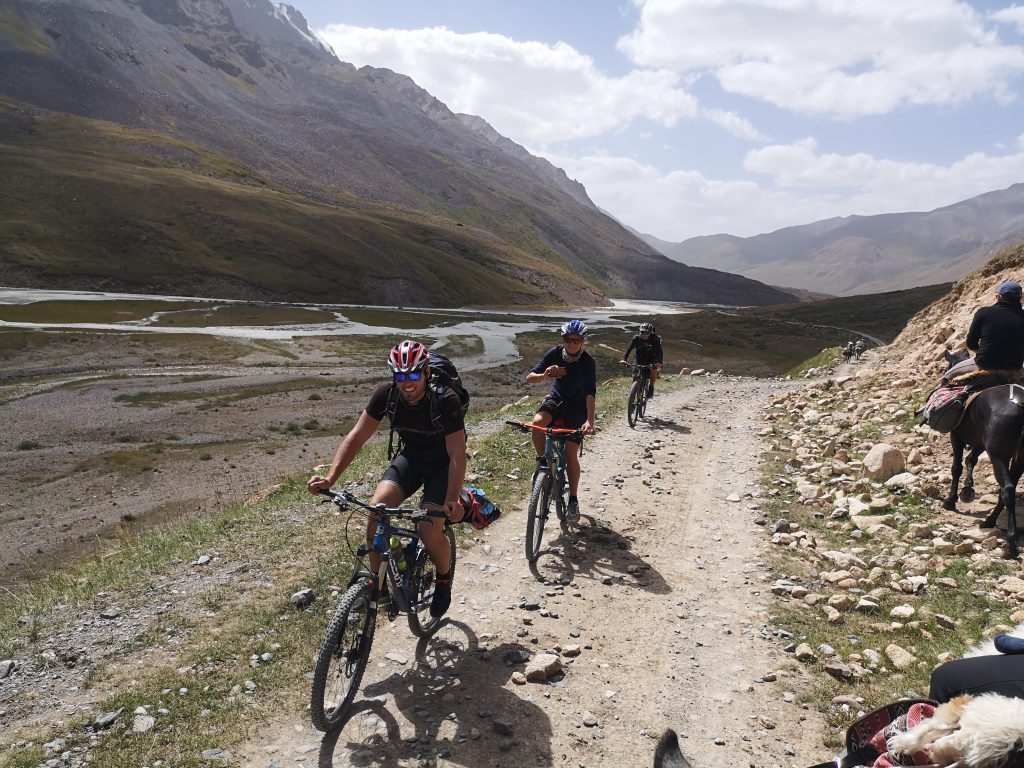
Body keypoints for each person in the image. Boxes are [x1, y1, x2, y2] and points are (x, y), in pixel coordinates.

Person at [307, 340, 466, 618]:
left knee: (429, 530)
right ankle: (375, 586)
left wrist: (452, 498)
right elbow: (356, 437)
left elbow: (456, 453)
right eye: (400, 375)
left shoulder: (445, 400)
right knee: (375, 511)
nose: (407, 383)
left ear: (426, 373)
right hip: (412, 459)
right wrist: (331, 478)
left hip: (442, 466)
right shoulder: (386, 396)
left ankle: (443, 579)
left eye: (414, 374)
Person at [525, 320, 597, 523]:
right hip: (557, 399)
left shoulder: (587, 362)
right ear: (563, 339)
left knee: (569, 453)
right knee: (537, 423)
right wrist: (544, 375)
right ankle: (541, 462)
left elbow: (590, 392)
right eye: (568, 339)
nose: (572, 344)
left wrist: (589, 421)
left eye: (577, 340)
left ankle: (573, 499)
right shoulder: (554, 353)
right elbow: (530, 377)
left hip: (578, 406)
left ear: (583, 341)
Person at [945, 279, 1024, 382]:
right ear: (1020, 297)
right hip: (1015, 368)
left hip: (984, 365)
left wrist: (982, 352)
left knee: (947, 376)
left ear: (998, 297)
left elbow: (971, 343)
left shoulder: (983, 312)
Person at [619, 321, 664, 397]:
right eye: (643, 332)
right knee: (635, 375)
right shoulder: (636, 338)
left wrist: (659, 362)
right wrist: (624, 359)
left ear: (651, 333)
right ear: (640, 332)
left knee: (654, 370)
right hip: (640, 358)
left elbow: (659, 352)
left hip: (652, 358)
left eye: (647, 333)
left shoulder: (655, 339)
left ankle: (651, 387)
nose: (645, 334)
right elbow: (628, 349)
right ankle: (633, 395)